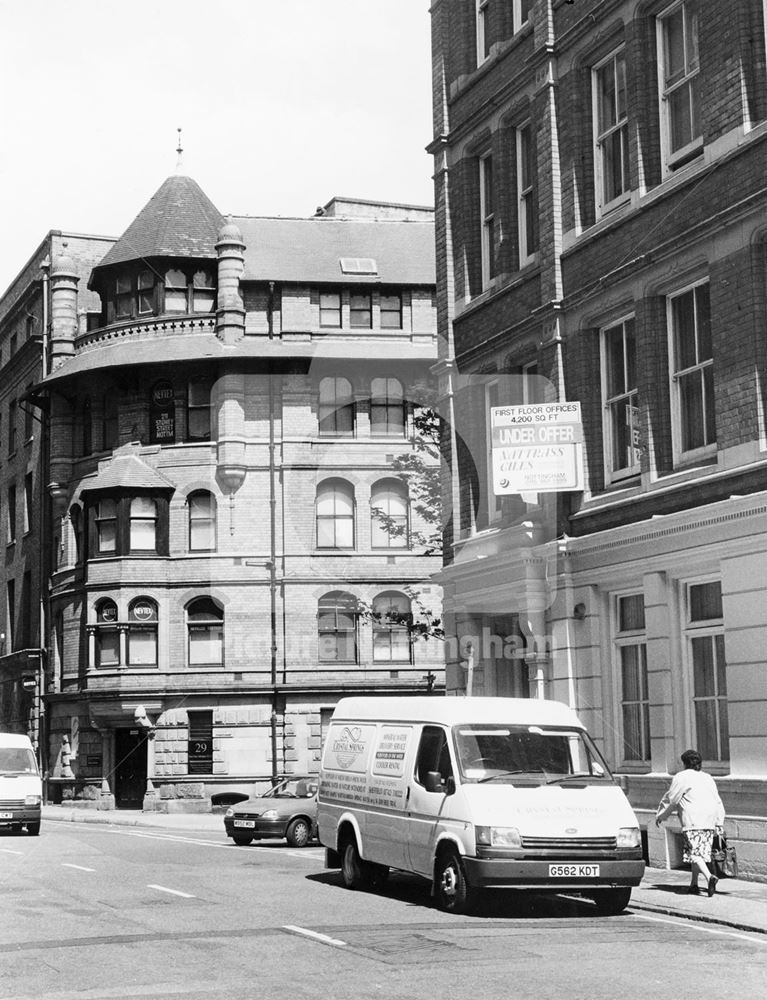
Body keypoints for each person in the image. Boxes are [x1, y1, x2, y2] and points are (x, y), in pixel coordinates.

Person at [656, 749, 725, 897]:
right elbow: (717, 800)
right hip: (709, 821)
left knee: (694, 853)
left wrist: (661, 815)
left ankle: (709, 877)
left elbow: (672, 798)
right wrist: (719, 822)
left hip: (693, 820)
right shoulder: (708, 777)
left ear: (685, 763)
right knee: (698, 853)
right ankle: (694, 884)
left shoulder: (681, 777)